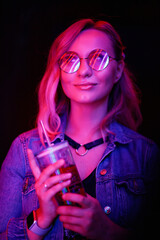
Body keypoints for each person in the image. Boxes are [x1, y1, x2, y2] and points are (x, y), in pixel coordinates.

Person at [0, 18, 159, 240]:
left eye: (98, 58)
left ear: (118, 70)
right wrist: (42, 218)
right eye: (70, 60)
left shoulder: (146, 155)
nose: (84, 71)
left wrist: (108, 232)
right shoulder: (23, 149)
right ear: (60, 72)